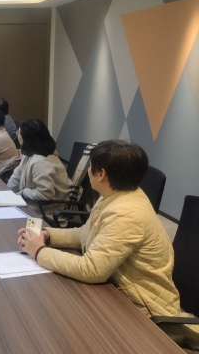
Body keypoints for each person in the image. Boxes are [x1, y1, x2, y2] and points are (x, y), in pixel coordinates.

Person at [17, 140, 199, 350]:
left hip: (145, 313)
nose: (88, 172)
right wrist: (48, 235)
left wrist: (39, 251)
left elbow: (92, 269)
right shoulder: (115, 196)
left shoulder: (126, 213)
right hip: (119, 295)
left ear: (101, 174)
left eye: (91, 167)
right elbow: (86, 234)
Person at [7, 119, 70, 214]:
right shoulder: (29, 154)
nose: (17, 136)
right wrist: (6, 194)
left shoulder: (40, 162)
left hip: (46, 210)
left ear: (27, 138)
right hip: (33, 204)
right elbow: (17, 176)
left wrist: (24, 192)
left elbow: (45, 194)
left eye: (18, 133)